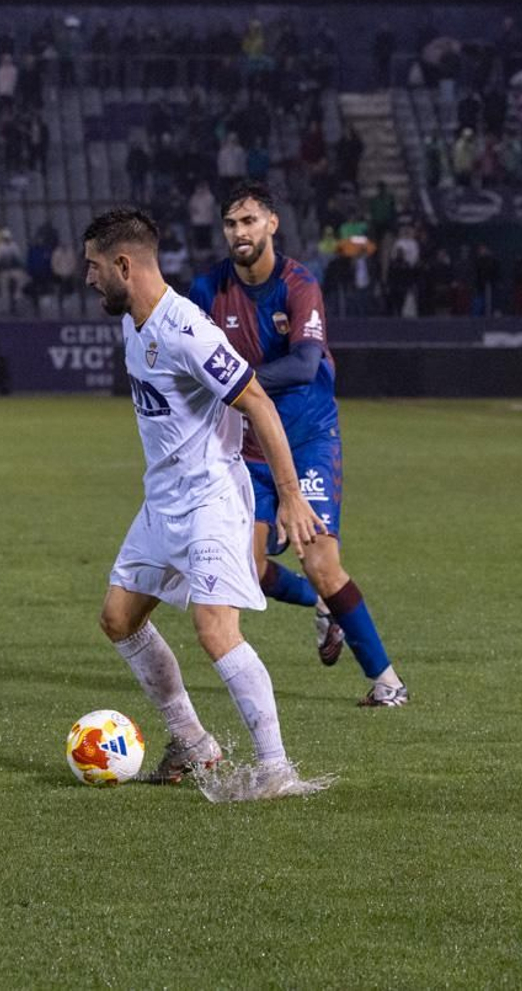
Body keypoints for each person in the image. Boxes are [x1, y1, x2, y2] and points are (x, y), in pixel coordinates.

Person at [82, 208, 329, 800]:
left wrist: (290, 497)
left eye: (94, 268)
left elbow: (259, 403)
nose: (88, 279)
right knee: (119, 619)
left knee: (214, 628)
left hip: (211, 501)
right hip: (161, 501)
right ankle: (193, 741)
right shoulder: (131, 323)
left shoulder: (188, 332)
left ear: (124, 265)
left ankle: (276, 770)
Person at [189, 182, 408, 707]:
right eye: (230, 224)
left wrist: (235, 380)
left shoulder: (298, 285)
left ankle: (388, 683)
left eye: (248, 221)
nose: (239, 233)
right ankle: (324, 604)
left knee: (320, 560)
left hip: (307, 439)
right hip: (246, 449)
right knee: (246, 569)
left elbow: (306, 364)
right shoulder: (208, 290)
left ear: (271, 224)